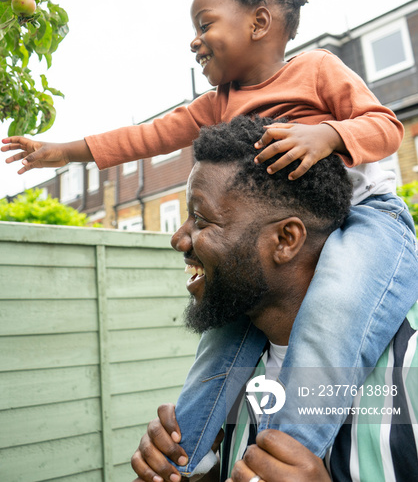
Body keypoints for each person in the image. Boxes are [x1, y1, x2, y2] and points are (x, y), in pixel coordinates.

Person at [1, 0, 418, 472]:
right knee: (216, 350)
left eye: (205, 25)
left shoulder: (318, 69)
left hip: (367, 215)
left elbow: (386, 126)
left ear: (259, 23)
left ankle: (288, 455)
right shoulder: (217, 103)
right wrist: (64, 153)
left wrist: (330, 135)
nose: (195, 41)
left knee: (335, 312)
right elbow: (145, 137)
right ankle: (186, 460)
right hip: (296, 234)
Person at [130, 116, 418, 482]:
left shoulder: (410, 369)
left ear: (285, 240)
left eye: (201, 220)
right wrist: (188, 475)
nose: (179, 239)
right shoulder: (233, 374)